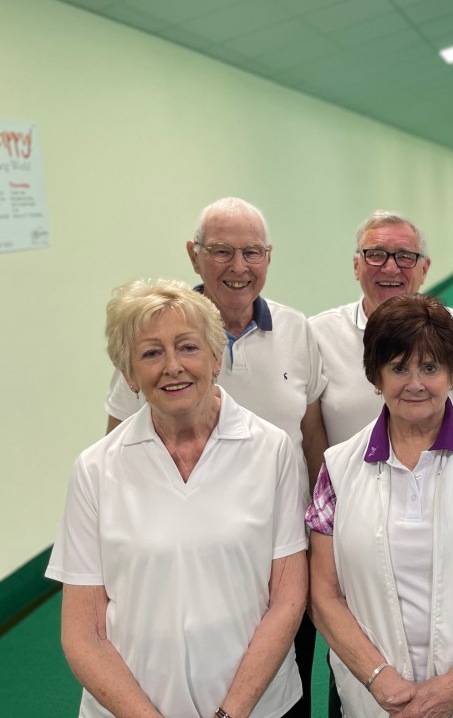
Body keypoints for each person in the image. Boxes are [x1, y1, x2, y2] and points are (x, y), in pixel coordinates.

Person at [103, 197, 328, 718]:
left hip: (279, 550)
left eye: (252, 252)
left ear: (269, 257)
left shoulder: (298, 332)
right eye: (222, 252)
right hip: (184, 551)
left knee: (283, 671)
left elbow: (311, 437)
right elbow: (117, 452)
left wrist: (321, 537)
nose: (238, 267)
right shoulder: (153, 335)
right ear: (194, 255)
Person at [47, 279, 308, 718]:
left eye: (188, 347)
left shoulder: (271, 449)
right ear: (128, 374)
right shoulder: (96, 468)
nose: (173, 366)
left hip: (258, 707)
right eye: (151, 353)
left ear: (216, 356)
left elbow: (287, 598)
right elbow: (83, 633)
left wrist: (232, 711)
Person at [306, 294, 453, 718]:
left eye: (430, 368)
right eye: (398, 368)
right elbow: (324, 594)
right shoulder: (338, 468)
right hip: (376, 703)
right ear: (375, 376)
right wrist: (378, 676)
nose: (414, 383)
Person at [311, 211, 433, 446]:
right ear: (357, 266)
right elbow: (311, 436)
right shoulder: (318, 335)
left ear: (424, 269)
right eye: (375, 255)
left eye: (405, 256)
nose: (390, 268)